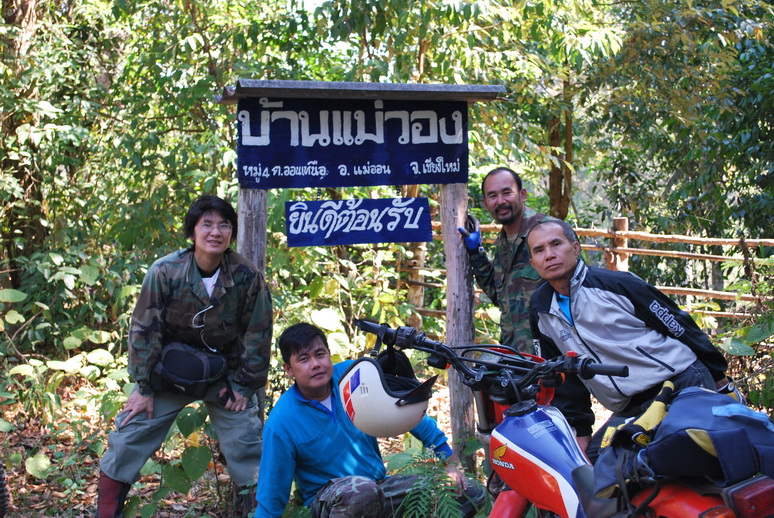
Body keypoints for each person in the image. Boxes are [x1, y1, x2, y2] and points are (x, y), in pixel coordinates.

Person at [97, 195, 273, 517]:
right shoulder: (165, 271)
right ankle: (107, 511)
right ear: (192, 232)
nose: (215, 232)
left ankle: (258, 511)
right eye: (207, 224)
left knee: (247, 444)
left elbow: (258, 332)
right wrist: (144, 387)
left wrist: (244, 385)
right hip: (169, 373)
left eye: (224, 225)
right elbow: (144, 330)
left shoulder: (246, 275)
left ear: (231, 233)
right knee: (129, 434)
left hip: (225, 376)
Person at [525, 219, 733, 460]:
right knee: (595, 466)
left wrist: (719, 377)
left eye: (556, 244)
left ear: (575, 247)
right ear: (532, 262)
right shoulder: (541, 308)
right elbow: (561, 372)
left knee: (678, 461)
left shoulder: (615, 285)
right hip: (630, 407)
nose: (549, 255)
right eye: (539, 250)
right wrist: (581, 430)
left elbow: (678, 325)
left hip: (680, 383)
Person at [254, 323, 486, 518]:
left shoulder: (353, 378)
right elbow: (272, 493)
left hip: (380, 487)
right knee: (361, 492)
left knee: (470, 492)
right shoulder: (282, 421)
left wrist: (450, 463)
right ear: (288, 369)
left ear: (329, 354)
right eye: (303, 359)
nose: (315, 364)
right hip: (330, 502)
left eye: (320, 354)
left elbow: (406, 411)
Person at [458, 166, 554, 353]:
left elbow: (575, 294)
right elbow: (499, 296)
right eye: (492, 196)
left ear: (522, 195)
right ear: (486, 203)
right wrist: (476, 252)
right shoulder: (503, 245)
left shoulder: (549, 233)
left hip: (551, 358)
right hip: (515, 358)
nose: (500, 201)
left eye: (507, 193)